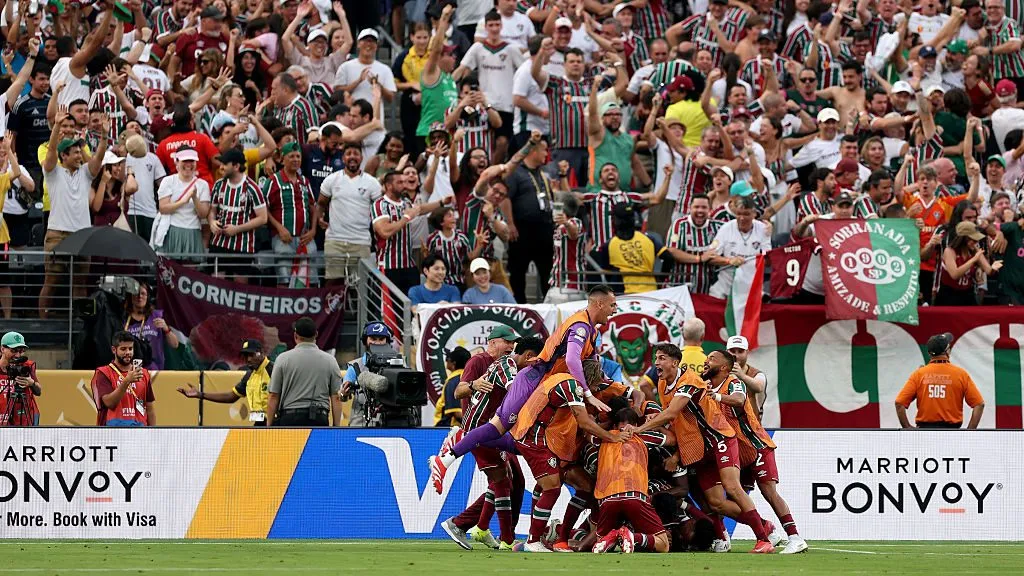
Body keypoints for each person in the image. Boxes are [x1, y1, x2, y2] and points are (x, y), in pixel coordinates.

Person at [430, 285, 619, 492]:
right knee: (501, 427)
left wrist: (606, 388)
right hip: (532, 380)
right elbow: (573, 360)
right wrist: (588, 394)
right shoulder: (581, 326)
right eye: (612, 305)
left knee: (523, 440)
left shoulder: (589, 330)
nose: (615, 309)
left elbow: (592, 367)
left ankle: (464, 440)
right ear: (599, 304)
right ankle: (447, 458)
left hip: (546, 386)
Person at [631, 347, 776, 553]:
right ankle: (761, 525)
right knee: (715, 503)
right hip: (700, 446)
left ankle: (763, 539)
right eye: (655, 358)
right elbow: (675, 420)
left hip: (720, 438)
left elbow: (672, 414)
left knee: (733, 488)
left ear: (675, 363)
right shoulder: (663, 384)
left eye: (662, 358)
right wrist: (656, 423)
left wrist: (639, 429)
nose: (656, 363)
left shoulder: (689, 381)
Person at [440, 335, 543, 551]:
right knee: (503, 482)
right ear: (494, 342)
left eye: (512, 343)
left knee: (513, 481)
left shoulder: (507, 363)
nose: (509, 346)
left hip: (495, 428)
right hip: (482, 429)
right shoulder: (490, 362)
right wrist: (473, 384)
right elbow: (460, 390)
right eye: (506, 341)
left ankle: (484, 528)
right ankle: (488, 532)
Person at [510, 359, 622, 552]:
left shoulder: (562, 379)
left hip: (539, 438)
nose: (596, 389)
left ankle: (536, 538)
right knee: (552, 488)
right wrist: (611, 438)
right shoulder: (571, 386)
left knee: (547, 485)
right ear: (590, 380)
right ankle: (534, 541)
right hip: (535, 438)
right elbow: (585, 423)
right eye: (595, 384)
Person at [720, 335, 808, 554]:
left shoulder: (753, 374)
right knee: (733, 496)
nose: (736, 355)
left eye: (740, 351)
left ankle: (795, 536)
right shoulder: (721, 377)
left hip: (754, 438)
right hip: (737, 443)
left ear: (747, 353)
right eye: (732, 351)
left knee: (769, 492)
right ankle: (765, 531)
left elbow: (757, 388)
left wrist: (739, 376)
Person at [38, 107, 107, 319]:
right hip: (57, 233)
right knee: (51, 282)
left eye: (80, 151)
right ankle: (42, 323)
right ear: (64, 155)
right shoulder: (53, 172)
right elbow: (50, 152)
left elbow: (99, 158)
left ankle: (81, 324)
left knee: (80, 283)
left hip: (82, 235)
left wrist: (104, 136)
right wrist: (57, 125)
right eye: (75, 152)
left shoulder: (86, 173)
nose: (80, 154)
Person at [590, 406, 673, 554]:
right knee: (663, 545)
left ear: (614, 425)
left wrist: (606, 424)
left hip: (607, 500)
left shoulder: (601, 437)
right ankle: (633, 537)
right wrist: (653, 426)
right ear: (635, 425)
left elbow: (586, 430)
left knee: (601, 543)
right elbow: (673, 439)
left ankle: (614, 535)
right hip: (635, 496)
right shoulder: (644, 436)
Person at [318, 143, 382, 285]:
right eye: (349, 154)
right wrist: (319, 217)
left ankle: (357, 308)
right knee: (333, 283)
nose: (352, 157)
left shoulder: (372, 183)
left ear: (361, 158)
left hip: (361, 241)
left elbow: (379, 209)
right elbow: (321, 202)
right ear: (343, 158)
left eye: (356, 154)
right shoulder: (331, 179)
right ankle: (333, 309)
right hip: (335, 240)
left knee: (359, 286)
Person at [895, 333, 985, 429]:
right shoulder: (961, 374)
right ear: (948, 351)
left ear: (929, 354)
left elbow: (899, 403)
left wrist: (907, 427)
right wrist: (969, 432)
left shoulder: (919, 374)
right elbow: (979, 404)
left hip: (924, 434)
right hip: (953, 433)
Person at [266, 317, 343, 427]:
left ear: (295, 335)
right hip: (319, 418)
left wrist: (268, 425)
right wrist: (336, 427)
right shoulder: (330, 360)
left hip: (290, 418)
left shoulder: (282, 359)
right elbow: (336, 397)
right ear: (316, 334)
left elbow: (273, 395)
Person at [177, 339, 274, 426]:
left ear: (261, 353)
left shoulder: (273, 370)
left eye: (251, 355)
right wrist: (200, 395)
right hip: (259, 422)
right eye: (246, 356)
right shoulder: (249, 376)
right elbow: (231, 397)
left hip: (275, 422)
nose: (248, 359)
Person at [208, 148, 268, 283]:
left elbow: (263, 218)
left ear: (236, 166)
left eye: (224, 164)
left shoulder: (252, 188)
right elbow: (212, 211)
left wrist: (237, 229)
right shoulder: (219, 185)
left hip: (243, 245)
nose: (221, 167)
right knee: (216, 282)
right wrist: (212, 222)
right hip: (219, 242)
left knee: (240, 284)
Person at [263, 142, 317, 288]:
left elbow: (313, 206)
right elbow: (263, 209)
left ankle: (306, 310)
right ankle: (285, 310)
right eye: (291, 156)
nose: (295, 159)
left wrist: (313, 230)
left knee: (310, 280)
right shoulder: (273, 181)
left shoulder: (304, 181)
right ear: (282, 159)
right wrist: (279, 228)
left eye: (298, 156)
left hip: (305, 237)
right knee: (284, 280)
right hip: (282, 237)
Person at [591, 202, 671, 294]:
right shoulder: (649, 238)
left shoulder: (608, 245)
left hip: (625, 296)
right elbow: (668, 257)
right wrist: (660, 279)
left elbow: (607, 275)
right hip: (650, 291)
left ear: (616, 220)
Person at [153, 146, 211, 261]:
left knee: (191, 270)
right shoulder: (168, 181)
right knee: (170, 269)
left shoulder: (202, 184)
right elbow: (163, 208)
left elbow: (203, 214)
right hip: (172, 230)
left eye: (192, 161)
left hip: (193, 232)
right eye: (185, 161)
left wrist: (194, 198)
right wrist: (183, 201)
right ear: (177, 162)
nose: (188, 164)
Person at [708, 196, 772, 299]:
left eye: (746, 214)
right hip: (725, 287)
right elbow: (710, 257)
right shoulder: (726, 228)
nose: (742, 218)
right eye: (739, 214)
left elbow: (768, 260)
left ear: (754, 214)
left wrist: (752, 262)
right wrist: (729, 261)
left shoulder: (763, 228)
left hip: (751, 288)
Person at [90, 331, 156, 427]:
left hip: (140, 429)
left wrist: (153, 434)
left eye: (130, 349)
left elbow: (149, 408)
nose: (128, 353)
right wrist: (127, 381)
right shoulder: (103, 373)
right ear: (114, 350)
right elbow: (109, 403)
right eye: (123, 349)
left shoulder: (143, 373)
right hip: (113, 429)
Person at [341, 321, 395, 427]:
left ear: (387, 341)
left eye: (381, 339)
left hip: (392, 418)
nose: (377, 343)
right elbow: (343, 396)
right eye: (373, 339)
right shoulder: (355, 366)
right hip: (361, 419)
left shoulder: (398, 363)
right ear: (365, 341)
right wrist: (344, 393)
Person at [936, 221, 1002, 305]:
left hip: (967, 293)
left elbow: (989, 271)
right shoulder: (950, 251)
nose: (976, 243)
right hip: (949, 294)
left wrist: (994, 268)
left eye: (976, 240)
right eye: (973, 240)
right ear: (963, 238)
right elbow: (954, 275)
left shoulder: (974, 250)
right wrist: (973, 259)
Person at [123, 283, 180, 371]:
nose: (139, 296)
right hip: (129, 371)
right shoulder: (123, 318)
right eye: (136, 293)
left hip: (154, 371)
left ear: (148, 297)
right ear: (130, 296)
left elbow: (175, 344)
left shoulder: (157, 316)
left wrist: (166, 329)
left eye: (143, 293)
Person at [0, 332, 41, 427]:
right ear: (2, 349)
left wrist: (31, 383)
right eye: (13, 350)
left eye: (21, 351)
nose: (18, 355)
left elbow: (39, 391)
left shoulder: (26, 367)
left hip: (25, 417)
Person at [435, 346, 471, 427]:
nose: (446, 361)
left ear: (453, 363)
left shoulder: (455, 381)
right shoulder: (469, 377)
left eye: (448, 359)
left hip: (450, 429)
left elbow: (457, 413)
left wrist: (472, 427)